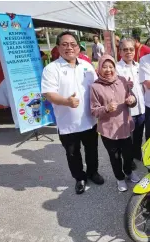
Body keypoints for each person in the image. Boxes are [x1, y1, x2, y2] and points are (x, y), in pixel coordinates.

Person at [41, 31, 104, 195]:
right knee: (72, 153)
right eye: (65, 44)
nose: (69, 47)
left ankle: (93, 172)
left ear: (78, 47)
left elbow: (98, 87)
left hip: (89, 120)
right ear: (58, 47)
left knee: (92, 150)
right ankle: (79, 178)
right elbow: (48, 93)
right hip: (67, 123)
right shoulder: (51, 69)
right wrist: (66, 102)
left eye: (73, 44)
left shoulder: (87, 65)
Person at [90, 54, 140, 192]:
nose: (108, 70)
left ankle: (129, 172)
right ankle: (120, 178)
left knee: (128, 154)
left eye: (111, 66)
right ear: (99, 69)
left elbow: (132, 98)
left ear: (114, 67)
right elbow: (94, 110)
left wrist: (132, 100)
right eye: (104, 67)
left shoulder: (123, 80)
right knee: (115, 156)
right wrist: (105, 108)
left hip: (124, 126)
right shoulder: (95, 86)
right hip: (108, 130)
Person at [116, 37, 145, 166]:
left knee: (139, 135)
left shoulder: (139, 66)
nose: (129, 52)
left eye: (131, 49)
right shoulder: (116, 69)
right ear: (120, 52)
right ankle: (129, 159)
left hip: (141, 108)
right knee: (128, 138)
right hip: (127, 110)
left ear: (135, 51)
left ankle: (137, 154)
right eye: (125, 50)